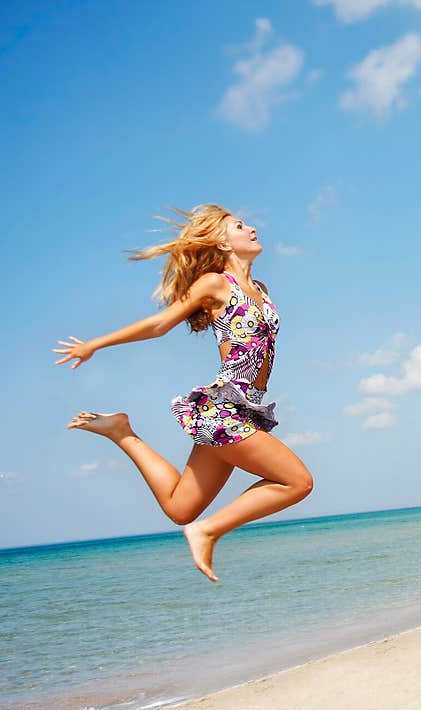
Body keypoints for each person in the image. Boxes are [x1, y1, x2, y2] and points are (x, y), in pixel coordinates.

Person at [52, 204, 313, 582]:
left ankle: (122, 432)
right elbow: (161, 323)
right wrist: (95, 343)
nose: (252, 228)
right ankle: (208, 530)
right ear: (223, 243)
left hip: (246, 408)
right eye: (240, 225)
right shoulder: (216, 284)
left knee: (179, 508)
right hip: (224, 410)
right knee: (297, 482)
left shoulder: (261, 290)